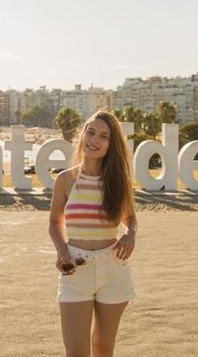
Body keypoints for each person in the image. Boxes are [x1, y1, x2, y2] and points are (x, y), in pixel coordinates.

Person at [49, 109, 138, 357]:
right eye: (91, 132)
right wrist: (62, 252)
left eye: (103, 136)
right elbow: (55, 223)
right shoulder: (66, 180)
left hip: (114, 268)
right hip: (76, 269)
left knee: (103, 348)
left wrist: (130, 234)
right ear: (82, 136)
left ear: (112, 145)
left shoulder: (118, 181)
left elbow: (130, 218)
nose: (95, 140)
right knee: (77, 351)